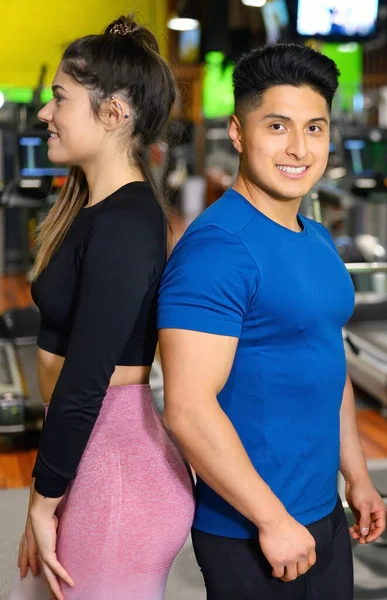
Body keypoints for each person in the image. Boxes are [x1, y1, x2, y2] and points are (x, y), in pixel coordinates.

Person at [157, 44, 387, 600]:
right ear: (238, 132)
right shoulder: (217, 248)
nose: (299, 148)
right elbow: (187, 409)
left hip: (321, 511)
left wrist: (355, 472)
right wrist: (270, 519)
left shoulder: (317, 237)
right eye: (277, 126)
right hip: (250, 527)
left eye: (315, 127)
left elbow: (325, 359)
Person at [8, 15, 194, 600]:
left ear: (113, 113)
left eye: (59, 98)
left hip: (114, 475)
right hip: (89, 461)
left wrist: (43, 499)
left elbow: (86, 380)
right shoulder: (99, 212)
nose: (45, 113)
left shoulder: (126, 224)